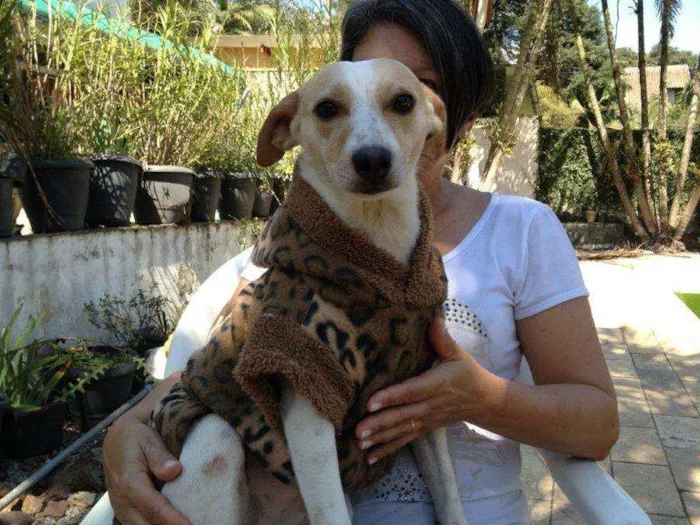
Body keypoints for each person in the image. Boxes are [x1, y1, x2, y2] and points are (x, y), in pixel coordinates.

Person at [102, 1, 619, 523]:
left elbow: (599, 427)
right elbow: (224, 364)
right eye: (333, 109)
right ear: (294, 126)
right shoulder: (294, 261)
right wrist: (127, 427)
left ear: (439, 112)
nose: (371, 142)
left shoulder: (521, 231)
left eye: (401, 99)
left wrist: (479, 400)